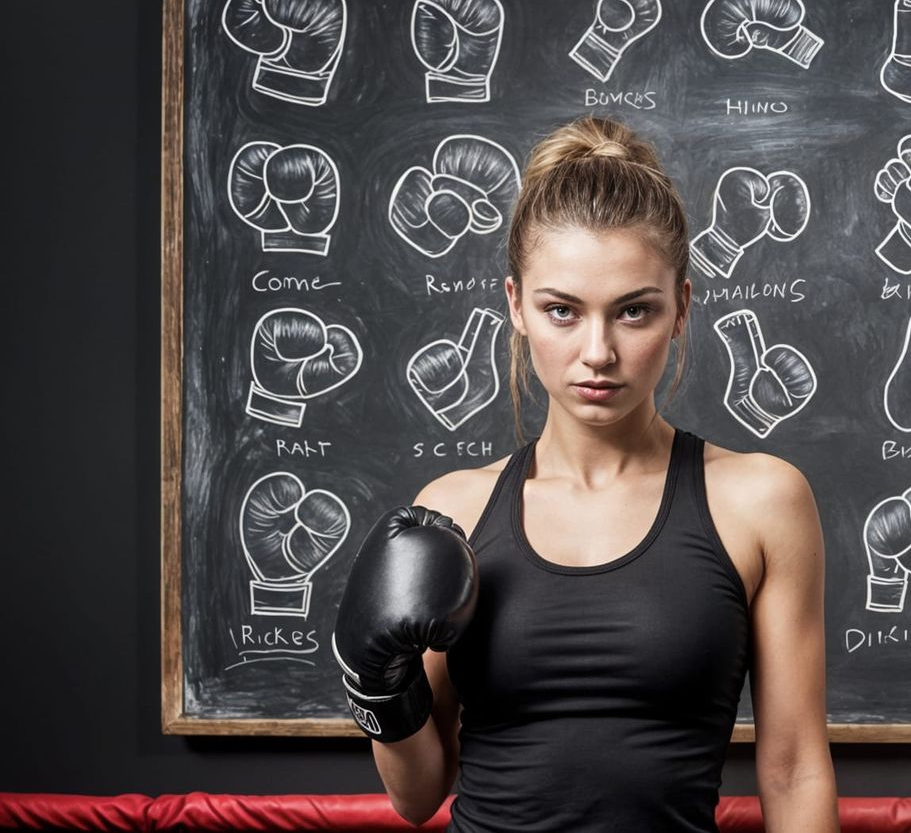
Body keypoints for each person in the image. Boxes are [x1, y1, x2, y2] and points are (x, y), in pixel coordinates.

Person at [333, 116, 839, 831]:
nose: (597, 351)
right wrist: (379, 684)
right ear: (516, 306)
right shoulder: (455, 511)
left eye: (634, 311)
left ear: (682, 309)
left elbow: (793, 768)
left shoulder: (759, 500)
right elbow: (418, 798)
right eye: (561, 311)